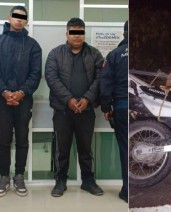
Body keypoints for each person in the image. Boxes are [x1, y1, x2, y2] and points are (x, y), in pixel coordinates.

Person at [45, 17, 104, 197]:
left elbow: (101, 78)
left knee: (85, 148)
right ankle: (60, 181)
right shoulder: (55, 54)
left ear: (84, 34)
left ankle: (88, 181)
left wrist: (86, 98)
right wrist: (69, 99)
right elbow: (51, 78)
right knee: (62, 148)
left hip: (86, 110)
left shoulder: (95, 54)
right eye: (73, 32)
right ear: (67, 34)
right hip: (63, 110)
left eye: (80, 33)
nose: (77, 37)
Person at [0, 6, 42, 197]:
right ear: (9, 18)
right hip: (2, 100)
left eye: (23, 18)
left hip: (24, 100)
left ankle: (19, 175)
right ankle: (4, 176)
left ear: (26, 21)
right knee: (3, 140)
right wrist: (4, 92)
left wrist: (21, 92)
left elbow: (36, 74)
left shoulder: (33, 45)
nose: (19, 20)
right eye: (16, 17)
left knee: (21, 139)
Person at [100, 20, 128, 203]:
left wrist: (105, 107)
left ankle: (127, 191)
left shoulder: (115, 54)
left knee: (125, 148)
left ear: (124, 33)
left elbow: (106, 83)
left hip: (122, 107)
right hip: (145, 107)